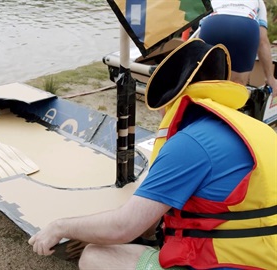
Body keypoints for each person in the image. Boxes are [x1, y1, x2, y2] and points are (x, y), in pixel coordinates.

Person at [28, 38, 277, 269]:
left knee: (95, 256)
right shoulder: (253, 127)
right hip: (263, 254)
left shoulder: (190, 143)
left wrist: (60, 227)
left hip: (231, 263)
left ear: (169, 101)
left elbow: (123, 227)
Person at [199, 0, 277, 99]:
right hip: (244, 27)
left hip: (213, 24)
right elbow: (262, 41)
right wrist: (270, 77)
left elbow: (199, 36)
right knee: (236, 89)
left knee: (206, 85)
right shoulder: (258, 2)